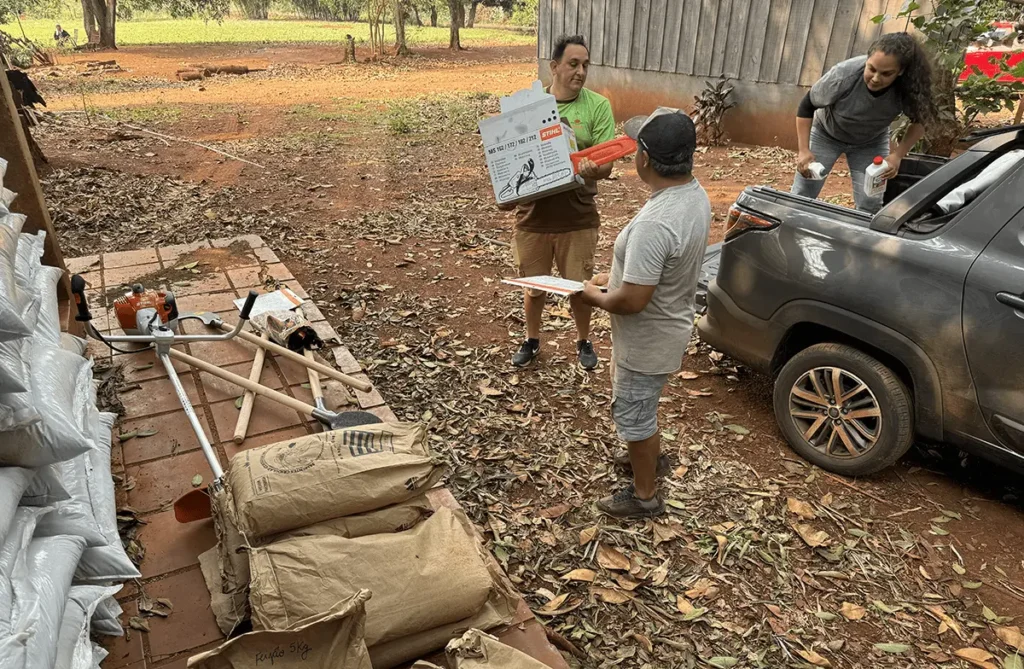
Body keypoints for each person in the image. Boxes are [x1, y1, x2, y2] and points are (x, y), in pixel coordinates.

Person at [581, 108, 711, 518]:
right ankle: (644, 456)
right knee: (642, 405)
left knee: (635, 415)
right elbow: (665, 267)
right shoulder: (694, 195)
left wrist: (592, 295)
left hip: (647, 339)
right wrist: (617, 275)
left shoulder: (656, 223)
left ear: (645, 159)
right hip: (670, 323)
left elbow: (632, 301)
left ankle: (644, 494)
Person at [506, 34, 616, 371]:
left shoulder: (597, 106)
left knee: (579, 289)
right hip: (533, 216)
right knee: (533, 287)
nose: (581, 71)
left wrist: (592, 166)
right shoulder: (528, 107)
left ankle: (583, 341)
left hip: (578, 217)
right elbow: (509, 157)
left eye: (585, 65)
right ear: (554, 67)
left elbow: (607, 165)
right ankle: (532, 339)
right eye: (573, 64)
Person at [791, 32, 937, 213]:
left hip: (870, 142)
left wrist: (898, 155)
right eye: (871, 69)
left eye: (886, 73)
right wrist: (804, 150)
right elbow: (807, 106)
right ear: (867, 60)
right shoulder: (844, 74)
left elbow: (921, 120)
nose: (876, 78)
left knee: (871, 201)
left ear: (901, 72)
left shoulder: (909, 87)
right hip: (826, 134)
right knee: (803, 192)